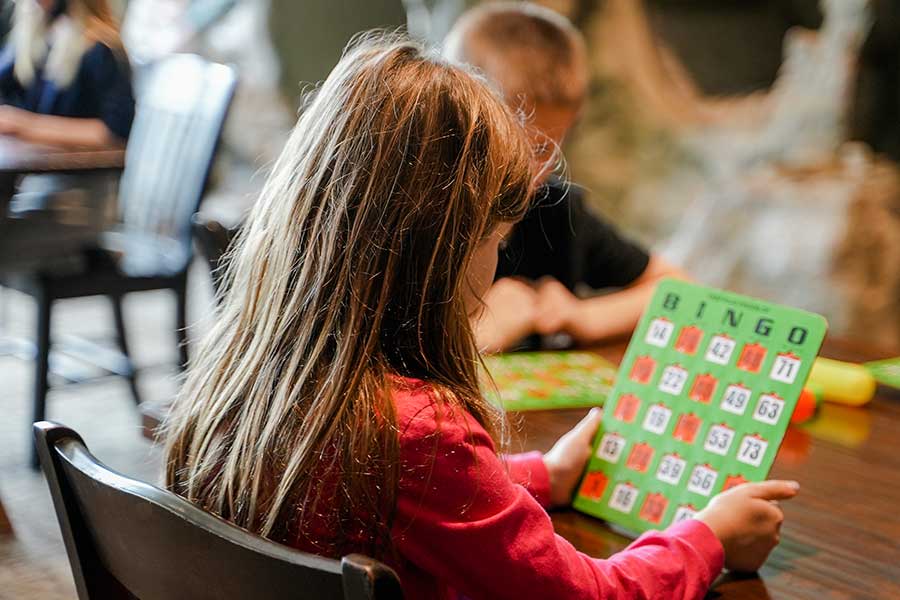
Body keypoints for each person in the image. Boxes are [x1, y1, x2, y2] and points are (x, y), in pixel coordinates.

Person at [163, 34, 796, 600]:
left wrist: (541, 474)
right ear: (442, 251)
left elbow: (400, 500)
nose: (498, 263)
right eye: (496, 240)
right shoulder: (418, 433)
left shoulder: (247, 372)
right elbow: (585, 595)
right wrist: (707, 537)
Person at [444, 2, 687, 354]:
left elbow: (679, 291)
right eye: (505, 146)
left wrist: (582, 316)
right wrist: (486, 329)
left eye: (543, 150)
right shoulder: (423, 216)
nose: (524, 170)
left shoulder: (557, 210)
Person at [0, 0, 135, 271]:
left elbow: (114, 132)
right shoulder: (37, 35)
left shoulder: (99, 46)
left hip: (78, 205)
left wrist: (25, 125)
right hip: (37, 192)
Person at [0, 0, 134, 147]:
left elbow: (114, 133)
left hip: (79, 166)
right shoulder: (41, 37)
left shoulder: (100, 49)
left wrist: (25, 126)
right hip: (40, 161)